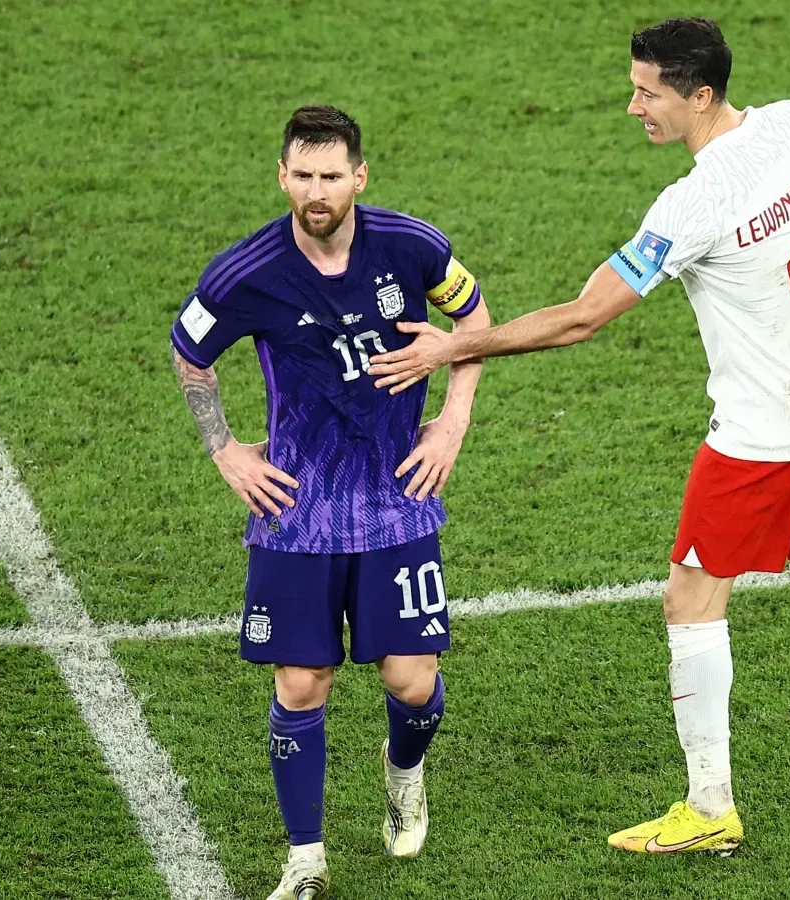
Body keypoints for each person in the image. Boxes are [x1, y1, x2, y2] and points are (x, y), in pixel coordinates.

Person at [368, 18, 790, 855]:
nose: (633, 107)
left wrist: (453, 346)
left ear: (699, 95)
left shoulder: (695, 202)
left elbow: (583, 317)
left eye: (648, 93)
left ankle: (709, 809)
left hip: (762, 437)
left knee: (690, 601)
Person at [169, 105, 489, 898]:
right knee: (301, 685)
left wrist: (452, 421)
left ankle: (403, 771)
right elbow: (189, 352)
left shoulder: (411, 246)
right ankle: (305, 859)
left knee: (411, 683)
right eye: (304, 176)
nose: (318, 191)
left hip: (396, 497)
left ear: (359, 177)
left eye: (332, 175)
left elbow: (474, 319)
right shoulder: (245, 274)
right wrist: (225, 449)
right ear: (283, 177)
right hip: (298, 512)